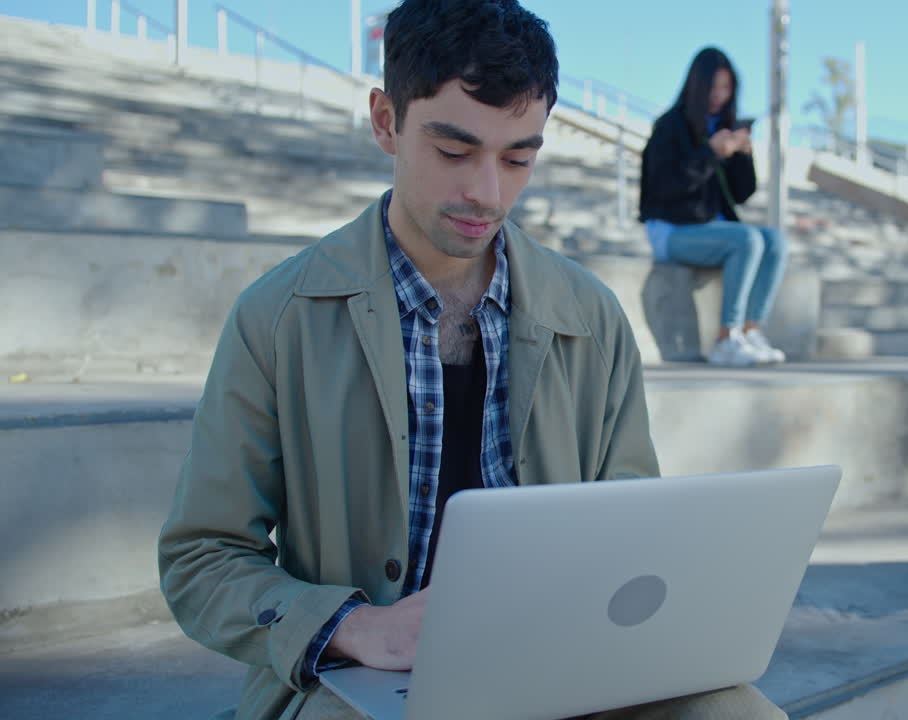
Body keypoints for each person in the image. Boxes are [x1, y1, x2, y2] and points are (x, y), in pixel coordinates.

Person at [157, 2, 785, 718]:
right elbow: (200, 557)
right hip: (355, 683)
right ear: (386, 122)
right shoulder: (278, 315)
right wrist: (358, 628)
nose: (488, 193)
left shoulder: (592, 317)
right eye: (455, 152)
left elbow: (629, 534)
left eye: (519, 157)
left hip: (563, 660)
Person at [638, 46, 787, 368]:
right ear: (698, 84)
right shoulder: (670, 126)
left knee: (776, 241)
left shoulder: (722, 126)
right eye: (714, 86)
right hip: (673, 230)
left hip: (713, 229)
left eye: (727, 87)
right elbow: (664, 188)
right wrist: (710, 153)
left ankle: (750, 331)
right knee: (747, 239)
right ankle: (726, 339)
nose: (720, 95)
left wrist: (743, 154)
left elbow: (742, 193)